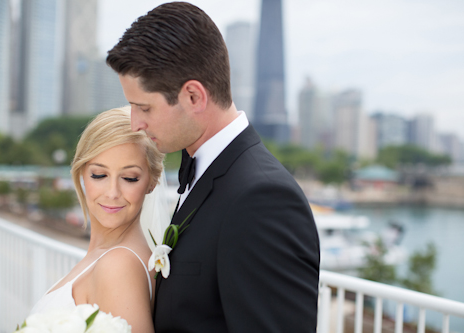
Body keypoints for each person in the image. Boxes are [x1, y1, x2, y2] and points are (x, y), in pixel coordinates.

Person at [107, 2, 320, 332]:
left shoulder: (263, 199)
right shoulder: (205, 170)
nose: (136, 123)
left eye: (144, 107)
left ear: (193, 96)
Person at [29, 107, 165, 333]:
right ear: (82, 173)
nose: (112, 192)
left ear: (152, 182)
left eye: (130, 178)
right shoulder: (106, 256)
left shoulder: (118, 266)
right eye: (99, 175)